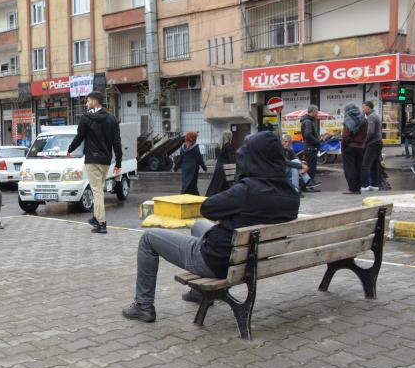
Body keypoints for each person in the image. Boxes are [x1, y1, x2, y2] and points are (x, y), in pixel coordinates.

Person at [122, 132, 301, 322]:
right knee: (198, 225)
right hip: (251, 260)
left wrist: (232, 209)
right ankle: (198, 294)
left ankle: (143, 305)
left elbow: (208, 208)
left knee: (148, 238)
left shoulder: (246, 190)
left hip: (215, 260)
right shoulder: (291, 193)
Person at [66, 91, 122, 234]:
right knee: (99, 189)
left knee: (97, 192)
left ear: (95, 101)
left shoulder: (86, 118)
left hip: (92, 160)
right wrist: (118, 163)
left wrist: (70, 149)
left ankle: (102, 223)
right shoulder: (112, 119)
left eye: (88, 101)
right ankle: (96, 219)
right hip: (105, 161)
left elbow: (79, 137)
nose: (86, 104)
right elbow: (117, 142)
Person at [341, 103, 367, 195]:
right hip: (361, 147)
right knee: (358, 167)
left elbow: (346, 136)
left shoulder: (348, 118)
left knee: (350, 168)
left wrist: (344, 145)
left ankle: (353, 188)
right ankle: (358, 187)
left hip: (350, 147)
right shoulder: (364, 119)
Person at [174, 132, 207, 196]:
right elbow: (199, 159)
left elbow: (180, 159)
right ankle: (195, 197)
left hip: (185, 169)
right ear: (193, 138)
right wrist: (204, 168)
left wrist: (175, 168)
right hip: (193, 168)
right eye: (196, 138)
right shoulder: (195, 147)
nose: (196, 139)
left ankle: (184, 196)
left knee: (185, 183)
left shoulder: (183, 147)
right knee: (192, 184)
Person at [360, 101, 383, 192]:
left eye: (364, 107)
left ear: (369, 107)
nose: (363, 109)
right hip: (377, 142)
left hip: (372, 143)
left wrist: (364, 142)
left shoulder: (371, 117)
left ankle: (365, 186)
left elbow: (370, 132)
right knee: (374, 165)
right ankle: (374, 185)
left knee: (365, 165)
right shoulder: (375, 115)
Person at [205, 132, 235, 197]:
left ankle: (212, 197)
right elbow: (232, 159)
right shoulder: (229, 146)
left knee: (216, 184)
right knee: (225, 186)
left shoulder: (218, 146)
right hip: (226, 168)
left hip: (218, 167)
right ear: (229, 137)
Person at [300, 105, 322, 185]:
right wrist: (317, 141)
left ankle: (310, 182)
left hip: (311, 147)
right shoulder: (308, 122)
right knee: (310, 167)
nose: (317, 113)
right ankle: (308, 184)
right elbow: (308, 135)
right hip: (311, 148)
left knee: (311, 166)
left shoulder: (309, 121)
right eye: (316, 112)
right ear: (312, 112)